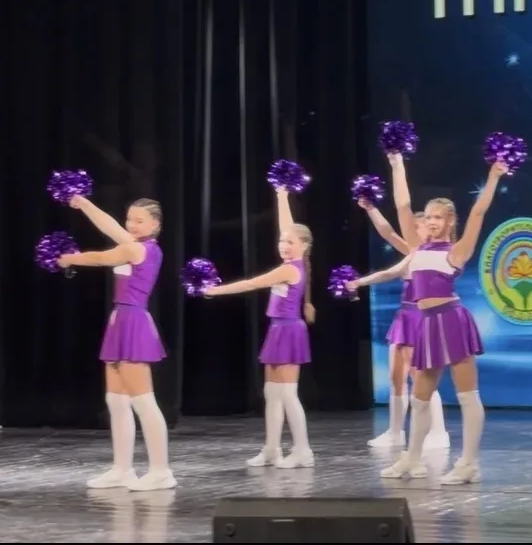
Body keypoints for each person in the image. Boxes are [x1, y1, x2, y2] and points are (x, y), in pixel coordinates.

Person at [348, 153, 506, 485]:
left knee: (467, 395)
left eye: (438, 217)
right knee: (419, 399)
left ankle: (469, 464)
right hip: (427, 325)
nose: (432, 222)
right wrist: (396, 163)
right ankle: (411, 458)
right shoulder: (416, 248)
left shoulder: (457, 251)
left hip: (452, 320)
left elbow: (478, 212)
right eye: (429, 216)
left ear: (450, 222)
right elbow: (403, 206)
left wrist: (493, 177)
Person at [59, 196, 175, 491]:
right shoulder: (133, 243)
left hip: (133, 323)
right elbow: (109, 226)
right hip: (120, 320)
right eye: (130, 219)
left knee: (143, 402)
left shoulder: (140, 249)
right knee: (116, 400)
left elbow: (101, 258)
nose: (132, 225)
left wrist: (71, 258)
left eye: (139, 221)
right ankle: (122, 469)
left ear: (155, 225)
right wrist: (84, 204)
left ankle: (161, 471)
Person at [202, 186, 316, 469]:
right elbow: (287, 226)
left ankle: (303, 450)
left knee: (288, 394)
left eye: (290, 242)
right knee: (271, 393)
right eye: (281, 241)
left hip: (289, 331)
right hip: (277, 330)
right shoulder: (293, 263)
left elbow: (251, 283)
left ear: (303, 246)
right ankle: (271, 449)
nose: (283, 245)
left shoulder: (290, 269)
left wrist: (216, 290)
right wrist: (281, 196)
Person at [358, 200, 450, 450]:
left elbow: (389, 267)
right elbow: (387, 232)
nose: (412, 230)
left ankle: (439, 432)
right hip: (404, 318)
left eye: (416, 226)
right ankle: (395, 432)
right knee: (396, 377)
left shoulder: (437, 254)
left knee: (421, 378)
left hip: (422, 318)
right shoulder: (412, 252)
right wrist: (371, 208)